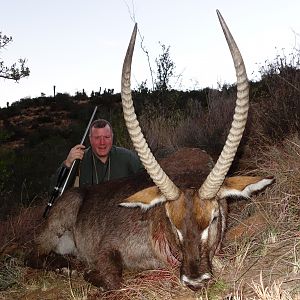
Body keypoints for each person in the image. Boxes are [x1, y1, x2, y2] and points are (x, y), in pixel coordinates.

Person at [52, 119, 144, 189]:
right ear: (90, 139)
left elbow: (146, 181)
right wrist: (67, 163)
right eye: (97, 138)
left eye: (107, 137)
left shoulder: (128, 157)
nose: (102, 142)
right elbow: (55, 189)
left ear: (112, 137)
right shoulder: (79, 160)